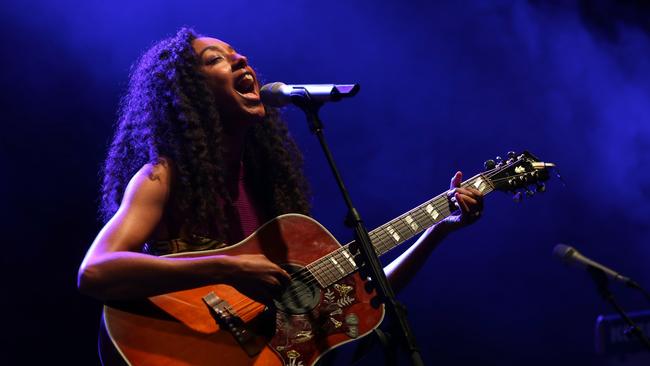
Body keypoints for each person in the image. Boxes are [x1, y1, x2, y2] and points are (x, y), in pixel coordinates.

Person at [77, 26, 483, 355]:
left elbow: (365, 296)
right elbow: (96, 271)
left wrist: (438, 229)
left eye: (238, 53)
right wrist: (228, 267)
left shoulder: (269, 190)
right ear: (187, 94)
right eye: (215, 59)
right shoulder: (164, 175)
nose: (240, 59)